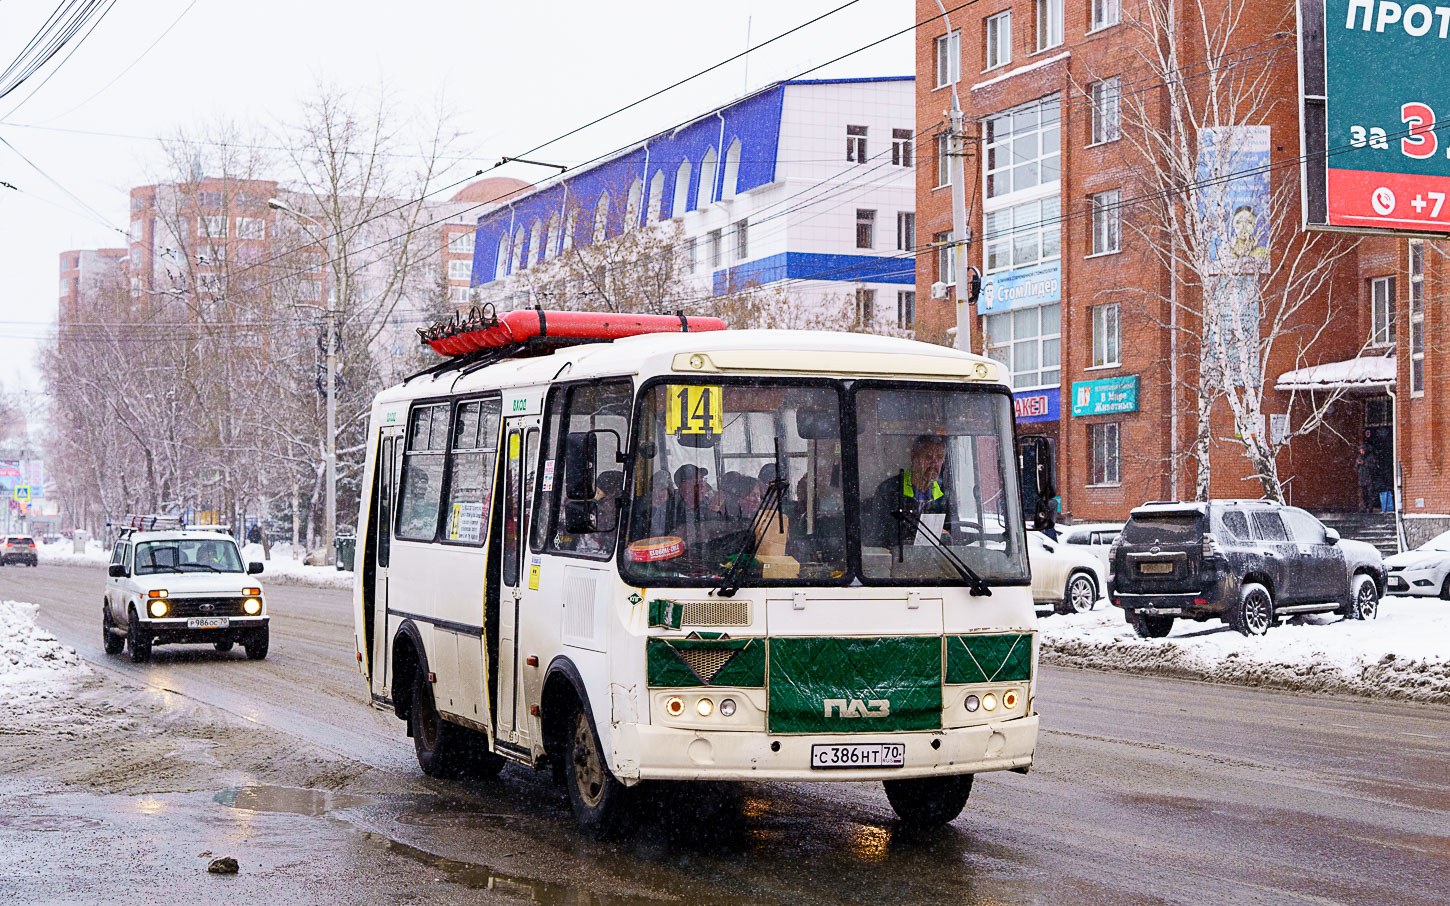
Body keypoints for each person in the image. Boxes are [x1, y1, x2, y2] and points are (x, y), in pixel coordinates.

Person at [866, 434, 952, 549]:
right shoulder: (888, 491)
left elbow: (953, 537)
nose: (934, 463)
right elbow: (879, 541)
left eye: (939, 457)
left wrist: (945, 535)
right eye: (928, 457)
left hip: (935, 558)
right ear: (914, 458)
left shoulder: (944, 495)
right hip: (900, 559)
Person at [1355, 446, 1374, 511]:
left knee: (1369, 494)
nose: (1361, 452)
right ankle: (1363, 508)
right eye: (1360, 451)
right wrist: (1358, 463)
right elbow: (1356, 467)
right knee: (1362, 494)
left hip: (1368, 478)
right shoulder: (1359, 457)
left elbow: (1372, 466)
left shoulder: (1370, 457)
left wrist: (1364, 463)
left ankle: (1370, 508)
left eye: (1362, 450)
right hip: (1361, 478)